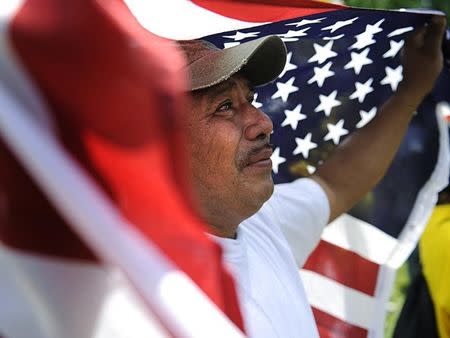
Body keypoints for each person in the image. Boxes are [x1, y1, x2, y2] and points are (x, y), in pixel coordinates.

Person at [178, 15, 447, 337]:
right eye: (224, 106)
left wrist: (411, 91)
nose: (263, 122)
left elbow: (335, 185)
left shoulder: (259, 224)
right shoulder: (142, 289)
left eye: (250, 99)